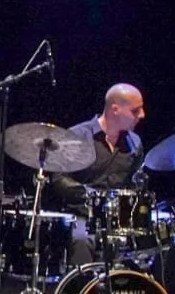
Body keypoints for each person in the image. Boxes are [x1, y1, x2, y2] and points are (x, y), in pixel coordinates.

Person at [47, 83, 147, 266]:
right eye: (135, 111)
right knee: (82, 240)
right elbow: (59, 177)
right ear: (115, 109)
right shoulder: (77, 136)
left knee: (161, 239)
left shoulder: (135, 143)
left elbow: (135, 183)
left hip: (120, 219)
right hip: (81, 215)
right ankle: (84, 292)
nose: (142, 115)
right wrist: (90, 195)